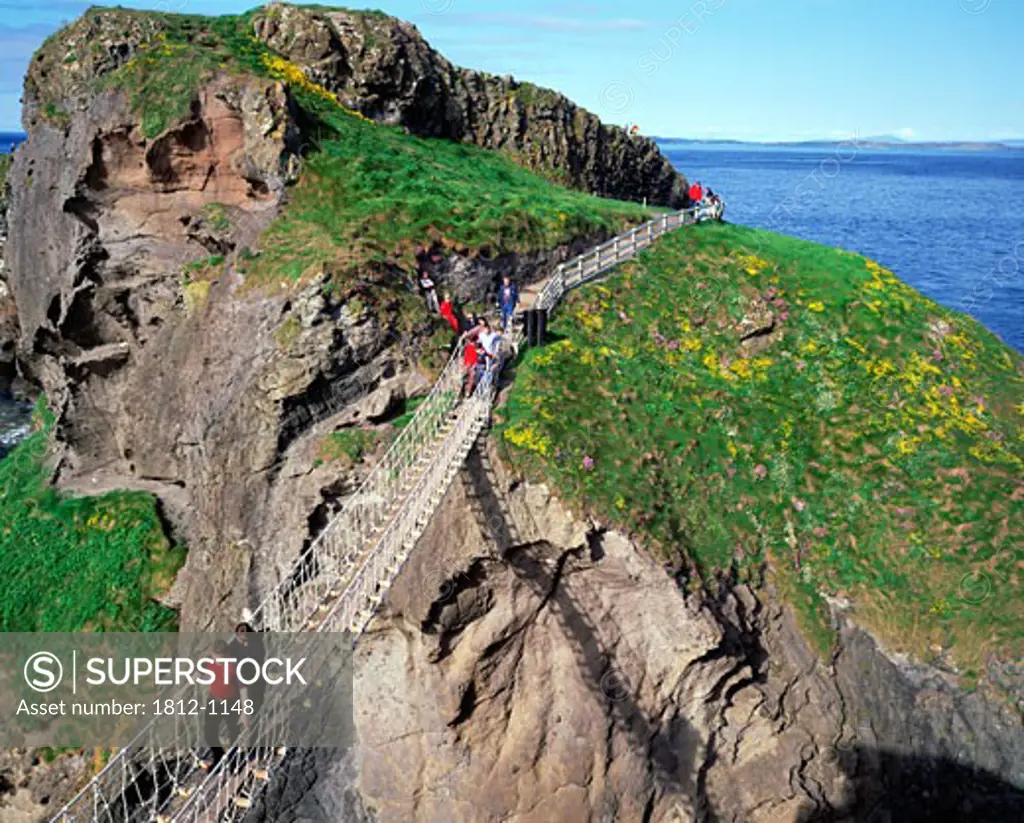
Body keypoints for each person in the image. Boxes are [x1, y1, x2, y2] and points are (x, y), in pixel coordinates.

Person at [201, 639, 240, 770]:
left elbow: (244, 687)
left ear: (227, 654)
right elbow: (201, 666)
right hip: (214, 700)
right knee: (209, 733)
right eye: (215, 657)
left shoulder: (234, 666)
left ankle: (234, 763)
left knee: (233, 732)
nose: (218, 661)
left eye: (221, 658)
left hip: (232, 702)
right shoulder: (209, 660)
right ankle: (218, 757)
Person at [227, 622, 266, 714]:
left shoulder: (255, 641)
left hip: (257, 680)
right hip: (242, 681)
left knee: (256, 704)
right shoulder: (233, 647)